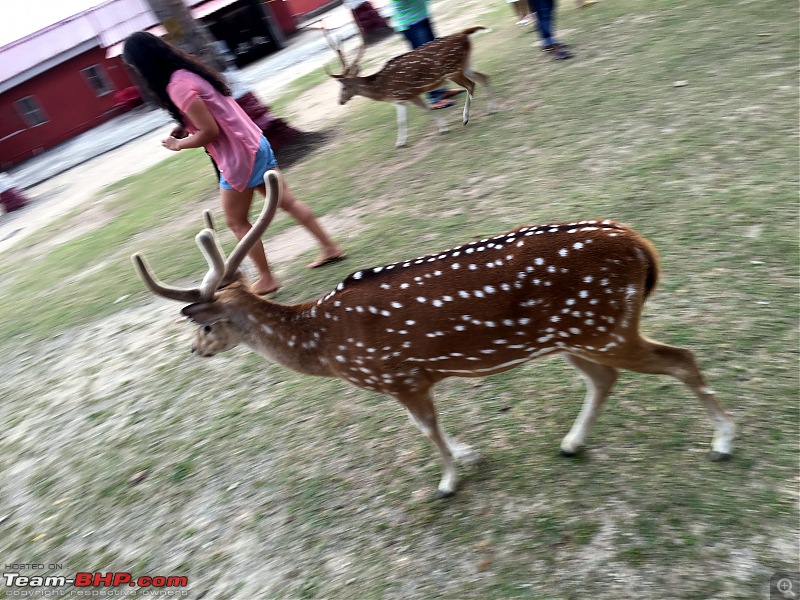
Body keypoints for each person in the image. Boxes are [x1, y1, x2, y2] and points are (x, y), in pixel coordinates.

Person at [122, 32, 344, 296]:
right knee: (288, 202)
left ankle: (266, 278)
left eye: (134, 67)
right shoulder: (187, 73)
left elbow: (210, 132)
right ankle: (330, 247)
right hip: (254, 143)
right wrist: (184, 126)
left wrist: (178, 145)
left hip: (238, 158)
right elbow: (213, 112)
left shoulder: (177, 87)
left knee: (236, 221)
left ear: (144, 64)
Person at [390, 0, 465, 109]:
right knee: (426, 63)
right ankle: (434, 98)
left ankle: (441, 91)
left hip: (421, 16)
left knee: (436, 57)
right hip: (411, 23)